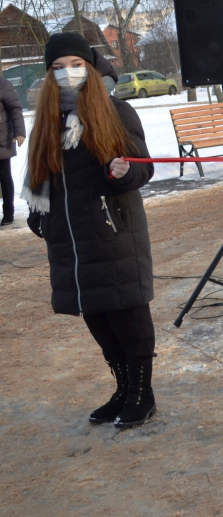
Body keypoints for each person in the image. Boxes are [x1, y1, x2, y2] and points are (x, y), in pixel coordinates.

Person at [25, 32, 157, 429]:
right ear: (49, 75)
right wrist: (40, 213)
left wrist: (125, 171)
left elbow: (143, 165)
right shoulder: (47, 120)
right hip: (67, 237)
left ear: (91, 67)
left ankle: (141, 394)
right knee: (96, 315)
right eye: (59, 68)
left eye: (76, 65)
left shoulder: (115, 111)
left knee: (127, 314)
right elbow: (37, 173)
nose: (68, 74)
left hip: (111, 229)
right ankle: (122, 388)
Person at [0, 74, 26, 226]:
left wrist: (20, 133)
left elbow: (15, 110)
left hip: (3, 139)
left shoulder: (3, 85)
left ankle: (8, 214)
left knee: (4, 176)